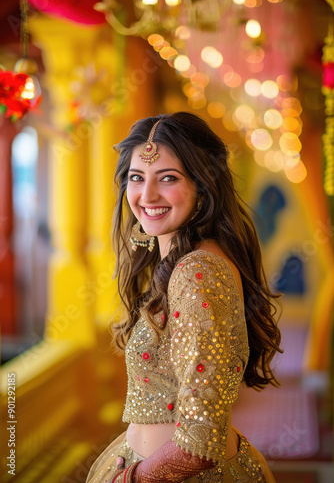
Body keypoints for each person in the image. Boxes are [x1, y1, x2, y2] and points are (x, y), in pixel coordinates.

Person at [86, 112, 282, 483]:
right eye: (136, 178)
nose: (147, 196)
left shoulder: (197, 272)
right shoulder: (192, 261)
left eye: (168, 178)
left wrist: (130, 479)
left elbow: (199, 441)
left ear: (203, 186)